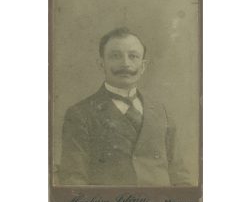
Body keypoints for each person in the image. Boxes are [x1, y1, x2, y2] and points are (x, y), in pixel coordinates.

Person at [58, 27, 191, 186]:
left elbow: (180, 175)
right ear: (101, 64)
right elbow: (74, 179)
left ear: (143, 65)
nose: (125, 63)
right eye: (115, 56)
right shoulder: (80, 114)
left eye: (133, 56)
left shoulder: (162, 112)